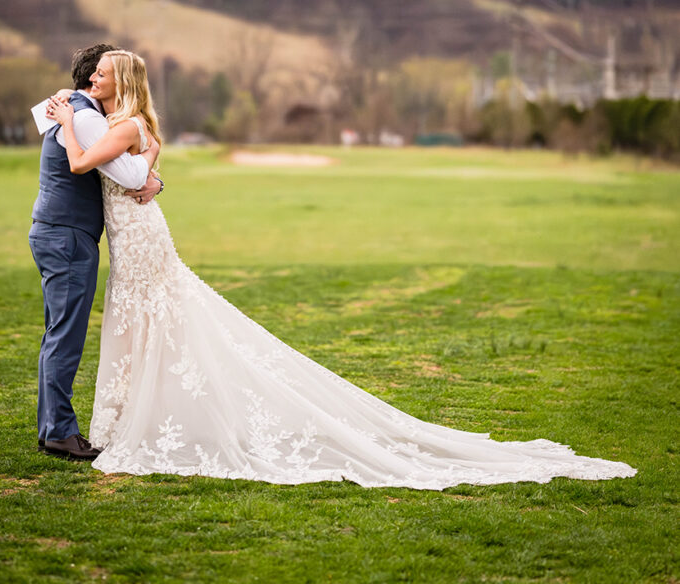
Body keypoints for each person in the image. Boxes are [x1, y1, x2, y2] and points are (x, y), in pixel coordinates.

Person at [47, 51, 636, 487]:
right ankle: (134, 420)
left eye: (98, 76)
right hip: (138, 237)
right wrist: (150, 173)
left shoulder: (120, 123)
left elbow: (82, 162)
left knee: (150, 322)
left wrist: (66, 120)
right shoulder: (140, 126)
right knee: (148, 324)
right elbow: (143, 172)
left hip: (140, 241)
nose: (89, 80)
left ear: (120, 82)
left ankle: (134, 425)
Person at [30, 44, 162, 461]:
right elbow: (129, 174)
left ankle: (52, 428)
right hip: (66, 236)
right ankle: (59, 433)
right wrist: (152, 162)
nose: (95, 81)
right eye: (97, 74)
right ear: (92, 79)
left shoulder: (80, 110)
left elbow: (126, 167)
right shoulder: (85, 118)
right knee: (65, 337)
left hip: (62, 233)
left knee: (59, 333)